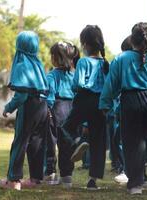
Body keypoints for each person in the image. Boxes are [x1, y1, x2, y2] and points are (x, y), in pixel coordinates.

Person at [99, 22, 147, 195]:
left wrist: (105, 103)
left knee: (132, 143)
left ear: (132, 39)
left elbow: (111, 84)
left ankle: (135, 184)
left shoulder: (121, 58)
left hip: (130, 101)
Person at [0, 31, 49, 190]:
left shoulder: (22, 64)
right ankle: (35, 179)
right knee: (36, 143)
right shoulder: (38, 64)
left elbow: (21, 95)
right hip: (43, 106)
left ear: (19, 46)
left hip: (29, 107)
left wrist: (9, 107)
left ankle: (13, 181)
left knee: (20, 142)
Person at [62, 25, 109, 190]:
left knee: (67, 126)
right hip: (100, 104)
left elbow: (78, 84)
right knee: (98, 142)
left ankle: (77, 142)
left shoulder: (83, 61)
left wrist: (77, 88)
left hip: (83, 99)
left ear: (86, 44)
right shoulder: (105, 63)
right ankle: (92, 181)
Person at [44, 41, 80, 188]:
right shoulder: (74, 75)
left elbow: (50, 94)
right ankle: (67, 177)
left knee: (51, 142)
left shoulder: (52, 75)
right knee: (67, 145)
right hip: (71, 109)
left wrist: (47, 109)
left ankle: (51, 174)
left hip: (56, 109)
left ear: (56, 58)